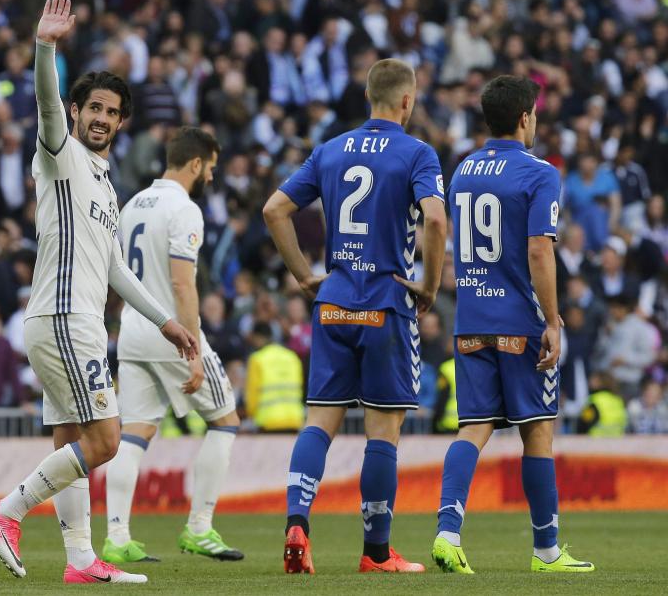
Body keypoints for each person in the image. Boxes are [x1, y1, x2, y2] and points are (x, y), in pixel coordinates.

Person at [0, 0, 197, 585]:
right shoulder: (60, 154)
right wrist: (45, 47)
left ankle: (79, 561)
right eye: (92, 106)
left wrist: (166, 319)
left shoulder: (103, 179)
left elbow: (118, 270)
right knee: (105, 441)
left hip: (81, 320)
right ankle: (6, 510)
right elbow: (45, 103)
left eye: (112, 111)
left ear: (122, 122)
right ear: (76, 111)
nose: (101, 116)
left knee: (71, 437)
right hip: (63, 317)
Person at [263, 58, 447, 574]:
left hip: (334, 302)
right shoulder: (417, 153)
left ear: (369, 97)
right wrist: (429, 285)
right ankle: (376, 552)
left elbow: (273, 210)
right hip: (385, 304)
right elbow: (435, 217)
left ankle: (297, 522)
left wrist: (303, 274)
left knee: (319, 421)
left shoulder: (331, 149)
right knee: (381, 432)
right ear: (406, 102)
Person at [431, 75, 594, 574]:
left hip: (471, 319)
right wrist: (552, 320)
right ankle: (546, 550)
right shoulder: (540, 172)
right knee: (538, 432)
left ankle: (446, 532)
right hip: (520, 321)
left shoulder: (462, 170)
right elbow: (539, 249)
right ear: (526, 118)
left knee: (473, 427)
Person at [104, 126, 244, 565]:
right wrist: (195, 349)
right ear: (197, 164)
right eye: (212, 169)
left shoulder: (131, 205)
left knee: (135, 433)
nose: (213, 179)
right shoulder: (184, 210)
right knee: (225, 421)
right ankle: (199, 528)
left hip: (132, 330)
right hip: (172, 333)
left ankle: (116, 537)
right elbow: (183, 285)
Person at [245, 321, 305, 433]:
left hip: (268, 422)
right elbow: (300, 387)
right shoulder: (292, 357)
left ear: (257, 337)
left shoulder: (257, 359)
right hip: (294, 420)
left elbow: (252, 395)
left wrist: (251, 414)